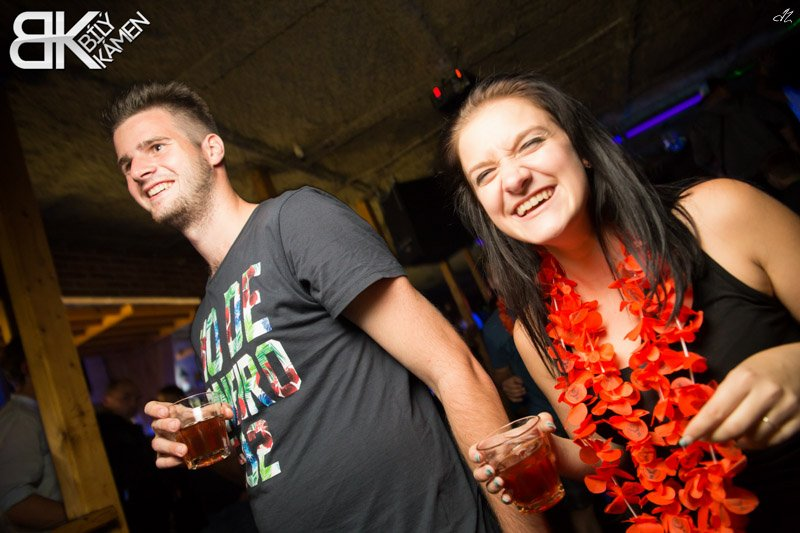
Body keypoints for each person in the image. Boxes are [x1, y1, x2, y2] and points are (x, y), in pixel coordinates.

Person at [102, 81, 543, 531]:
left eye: (156, 147)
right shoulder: (204, 323)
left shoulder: (293, 222)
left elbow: (452, 367)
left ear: (211, 149)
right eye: (127, 163)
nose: (139, 170)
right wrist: (206, 449)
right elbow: (262, 464)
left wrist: (522, 527)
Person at [440, 72, 800, 531]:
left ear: (583, 150)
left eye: (530, 143)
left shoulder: (720, 214)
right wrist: (554, 455)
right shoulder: (536, 334)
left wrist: (795, 367)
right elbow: (616, 454)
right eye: (485, 174)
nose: (513, 178)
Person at [0, 339, 66, 531]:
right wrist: (81, 516)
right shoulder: (20, 419)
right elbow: (16, 503)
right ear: (28, 369)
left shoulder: (38, 414)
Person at [96, 379, 172, 532]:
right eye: (125, 397)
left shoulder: (127, 428)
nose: (133, 403)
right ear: (107, 399)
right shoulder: (107, 430)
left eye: (137, 398)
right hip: (137, 507)